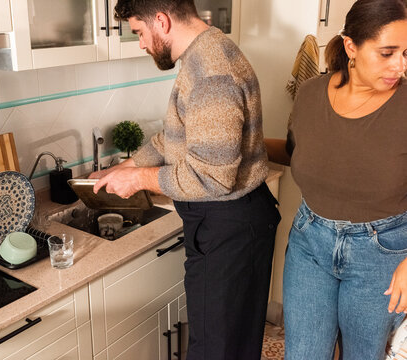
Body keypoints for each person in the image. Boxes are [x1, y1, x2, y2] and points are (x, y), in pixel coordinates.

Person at [89, 1, 281, 359]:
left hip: (228, 227)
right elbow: (172, 138)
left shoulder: (211, 74)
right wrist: (126, 167)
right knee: (231, 345)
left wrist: (140, 181)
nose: (142, 44)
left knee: (215, 349)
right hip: (234, 224)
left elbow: (212, 178)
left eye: (139, 32)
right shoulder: (203, 55)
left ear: (161, 21)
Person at [265, 0, 407, 359]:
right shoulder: (312, 94)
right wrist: (246, 144)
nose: (400, 66)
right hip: (310, 242)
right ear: (350, 47)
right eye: (388, 53)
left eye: (406, 54)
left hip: (382, 254)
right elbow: (301, 153)